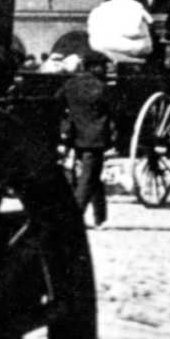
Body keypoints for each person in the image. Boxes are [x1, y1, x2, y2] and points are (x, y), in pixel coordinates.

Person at [63, 52, 114, 227]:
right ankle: (73, 218)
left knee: (92, 175)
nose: (106, 70)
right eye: (103, 66)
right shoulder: (102, 88)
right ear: (93, 67)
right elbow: (116, 111)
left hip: (77, 136)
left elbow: (58, 104)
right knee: (88, 178)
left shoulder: (70, 85)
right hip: (96, 139)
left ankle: (101, 217)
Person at [86, 0, 155, 67]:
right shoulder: (135, 6)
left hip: (100, 46)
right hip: (131, 47)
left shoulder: (99, 8)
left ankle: (118, 59)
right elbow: (151, 22)